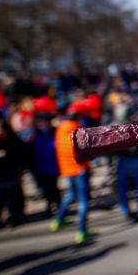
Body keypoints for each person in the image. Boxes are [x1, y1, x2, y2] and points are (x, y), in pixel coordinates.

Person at [51, 104, 94, 244]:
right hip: (79, 170)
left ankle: (58, 220)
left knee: (71, 194)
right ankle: (82, 231)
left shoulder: (60, 129)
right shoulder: (76, 131)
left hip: (67, 169)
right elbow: (80, 151)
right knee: (83, 202)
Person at [0, 112, 28, 228]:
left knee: (14, 198)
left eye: (0, 130)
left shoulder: (13, 141)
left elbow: (20, 157)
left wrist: (20, 171)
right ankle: (0, 219)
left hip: (12, 176)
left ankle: (14, 217)